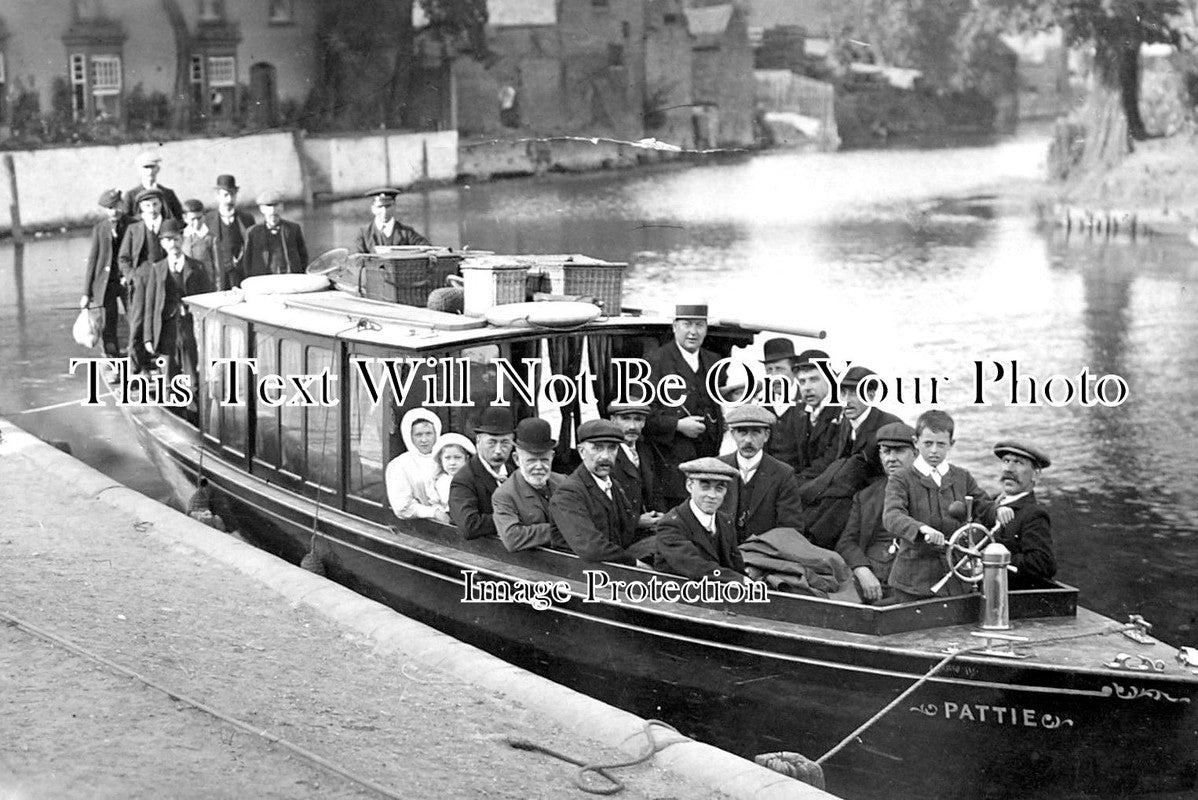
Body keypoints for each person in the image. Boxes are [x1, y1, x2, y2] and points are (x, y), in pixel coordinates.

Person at [883, 410, 1005, 601]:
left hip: (956, 579)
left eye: (941, 444)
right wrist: (921, 528)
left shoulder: (962, 477)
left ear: (951, 444)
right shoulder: (901, 479)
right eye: (928, 443)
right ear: (916, 442)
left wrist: (998, 511)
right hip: (913, 583)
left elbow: (984, 505)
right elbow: (892, 516)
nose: (934, 451)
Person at [799, 366, 903, 548]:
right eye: (843, 393)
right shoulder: (847, 421)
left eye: (854, 394)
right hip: (846, 488)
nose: (846, 401)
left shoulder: (889, 425)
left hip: (873, 496)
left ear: (871, 395)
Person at [643, 304, 724, 507]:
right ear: (674, 327)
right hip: (670, 465)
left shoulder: (714, 361)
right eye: (687, 324)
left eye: (699, 325)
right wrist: (677, 425)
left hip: (709, 458)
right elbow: (644, 414)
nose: (693, 332)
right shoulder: (655, 361)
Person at [549, 419, 654, 565]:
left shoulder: (612, 484)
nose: (605, 456)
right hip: (581, 576)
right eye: (597, 448)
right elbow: (591, 548)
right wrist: (635, 564)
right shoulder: (568, 494)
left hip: (611, 567)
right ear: (581, 451)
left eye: (612, 448)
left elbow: (626, 530)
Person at [836, 421, 917, 604]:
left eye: (899, 451)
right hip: (872, 580)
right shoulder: (866, 496)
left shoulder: (929, 490)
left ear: (916, 453)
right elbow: (847, 542)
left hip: (911, 583)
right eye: (886, 451)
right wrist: (861, 569)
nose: (891, 458)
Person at [717, 404, 804, 542]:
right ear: (733, 434)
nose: (748, 440)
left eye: (756, 432)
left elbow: (790, 529)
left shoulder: (783, 474)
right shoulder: (718, 467)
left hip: (762, 555)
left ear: (766, 435)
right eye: (742, 432)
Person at [141, 219, 214, 384]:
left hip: (190, 328)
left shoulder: (197, 268)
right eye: (167, 240)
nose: (172, 244)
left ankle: (193, 407)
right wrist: (148, 338)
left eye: (175, 239)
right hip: (166, 330)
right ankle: (172, 406)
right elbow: (150, 306)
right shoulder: (157, 269)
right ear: (162, 243)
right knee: (168, 377)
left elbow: (207, 301)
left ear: (182, 240)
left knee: (193, 378)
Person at [655, 457, 748, 582]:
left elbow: (737, 566)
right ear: (689, 486)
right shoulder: (671, 524)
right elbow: (693, 566)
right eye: (705, 487)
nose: (712, 495)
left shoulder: (725, 521)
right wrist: (738, 579)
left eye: (719, 489)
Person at [492, 418, 568, 553]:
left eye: (544, 460)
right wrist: (563, 529)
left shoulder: (564, 482)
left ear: (552, 457)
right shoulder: (504, 495)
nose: (539, 467)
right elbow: (512, 538)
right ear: (516, 459)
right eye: (531, 460)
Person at [988, 441, 1056, 589]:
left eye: (1018, 463)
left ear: (1035, 474)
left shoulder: (1034, 515)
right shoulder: (990, 503)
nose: (1009, 469)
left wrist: (992, 559)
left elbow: (1043, 563)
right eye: (1006, 461)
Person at [768, 348, 842, 482]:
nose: (807, 387)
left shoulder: (841, 412)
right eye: (802, 382)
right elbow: (791, 455)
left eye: (814, 380)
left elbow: (830, 460)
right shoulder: (799, 411)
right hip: (803, 482)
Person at [118, 187, 168, 372]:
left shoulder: (168, 226)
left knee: (164, 320)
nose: (152, 208)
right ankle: (138, 367)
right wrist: (132, 277)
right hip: (142, 282)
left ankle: (165, 365)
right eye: (147, 205)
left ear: (161, 204)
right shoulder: (134, 229)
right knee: (138, 322)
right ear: (141, 207)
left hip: (164, 280)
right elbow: (123, 258)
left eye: (155, 204)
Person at [79, 188, 132, 358]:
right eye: (110, 208)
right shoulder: (100, 229)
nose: (114, 211)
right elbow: (93, 261)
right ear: (104, 210)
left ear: (122, 205)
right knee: (108, 324)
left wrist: (130, 275)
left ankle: (138, 361)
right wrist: (86, 293)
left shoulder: (133, 225)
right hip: (105, 284)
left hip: (126, 282)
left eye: (117, 206)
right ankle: (113, 361)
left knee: (135, 320)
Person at [448, 407, 516, 540]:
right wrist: (514, 518)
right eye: (492, 442)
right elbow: (469, 526)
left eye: (505, 443)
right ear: (478, 441)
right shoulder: (464, 479)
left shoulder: (514, 473)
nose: (498, 450)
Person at [607, 401, 667, 530]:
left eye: (638, 419)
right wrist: (636, 522)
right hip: (621, 533)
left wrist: (661, 517)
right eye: (626, 419)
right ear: (612, 420)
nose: (632, 426)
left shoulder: (645, 451)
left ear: (644, 422)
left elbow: (656, 490)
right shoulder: (607, 456)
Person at [385, 408, 444, 521]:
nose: (424, 440)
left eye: (429, 434)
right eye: (418, 435)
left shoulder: (447, 458)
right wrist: (434, 513)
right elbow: (402, 507)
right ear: (410, 436)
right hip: (423, 526)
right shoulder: (399, 465)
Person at [204, 174, 256, 289]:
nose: (229, 199)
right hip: (219, 278)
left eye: (233, 195)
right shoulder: (207, 220)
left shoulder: (247, 219)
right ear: (217, 196)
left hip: (242, 276)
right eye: (225, 195)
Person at [242, 191, 309, 278]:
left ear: (282, 207)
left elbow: (303, 256)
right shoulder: (253, 232)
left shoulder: (293, 229)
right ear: (261, 209)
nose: (273, 210)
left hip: (289, 278)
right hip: (263, 280)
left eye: (276, 205)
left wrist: (300, 274)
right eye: (268, 206)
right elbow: (247, 261)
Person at [353, 187, 430, 253]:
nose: (384, 211)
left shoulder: (407, 233)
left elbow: (428, 249)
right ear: (373, 209)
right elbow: (358, 262)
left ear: (394, 206)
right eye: (380, 207)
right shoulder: (364, 234)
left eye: (388, 206)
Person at [426, 434, 475, 524]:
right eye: (447, 458)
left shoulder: (473, 479)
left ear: (467, 459)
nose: (452, 463)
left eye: (457, 457)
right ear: (441, 460)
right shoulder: (441, 481)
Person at [123, 150, 184, 221]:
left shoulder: (168, 193)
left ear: (158, 169)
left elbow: (179, 218)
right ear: (139, 170)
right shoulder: (131, 195)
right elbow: (126, 220)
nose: (150, 171)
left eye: (152, 167)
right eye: (146, 167)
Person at [181, 199, 217, 289]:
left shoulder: (211, 238)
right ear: (185, 218)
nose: (196, 223)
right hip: (188, 286)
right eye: (192, 219)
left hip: (207, 286)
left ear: (204, 216)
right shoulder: (181, 237)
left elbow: (218, 269)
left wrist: (218, 290)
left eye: (199, 218)